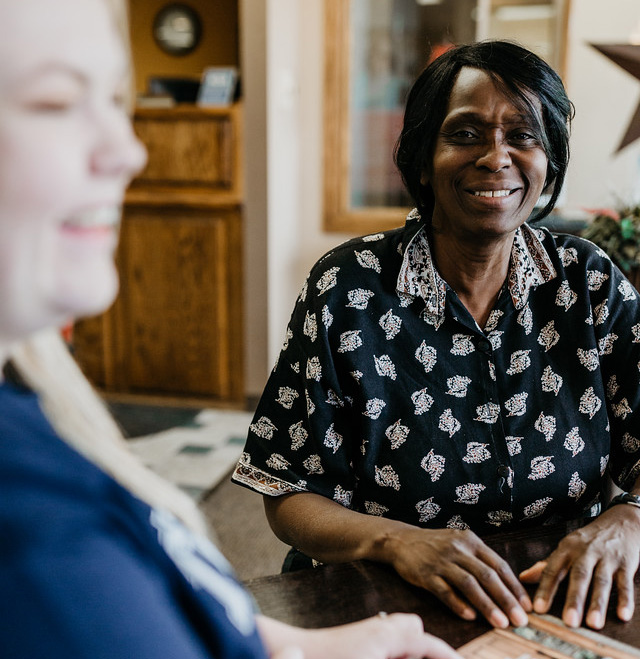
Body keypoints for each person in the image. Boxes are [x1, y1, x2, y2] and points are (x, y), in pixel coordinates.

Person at [0, 1, 463, 658]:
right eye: (53, 103)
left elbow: (177, 601)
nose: (130, 150)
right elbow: (283, 480)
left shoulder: (35, 413)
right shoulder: (32, 540)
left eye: (113, 98)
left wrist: (320, 648)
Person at [233, 40, 640, 632]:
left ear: (548, 160)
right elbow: (289, 488)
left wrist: (630, 517)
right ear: (423, 158)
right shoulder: (348, 289)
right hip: (383, 601)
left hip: (555, 597)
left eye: (523, 135)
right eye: (467, 134)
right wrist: (399, 542)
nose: (496, 158)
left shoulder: (589, 282)